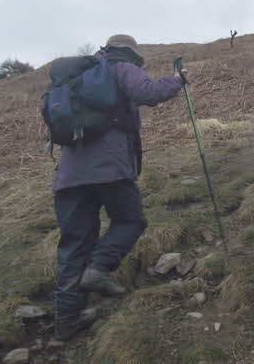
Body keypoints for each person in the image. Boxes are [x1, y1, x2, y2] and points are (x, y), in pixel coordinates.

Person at [52, 34, 186, 340]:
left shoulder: (79, 76)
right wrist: (178, 80)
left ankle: (66, 321)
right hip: (109, 168)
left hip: (69, 177)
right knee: (130, 221)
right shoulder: (120, 67)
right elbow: (148, 92)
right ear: (129, 53)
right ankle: (99, 268)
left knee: (74, 245)